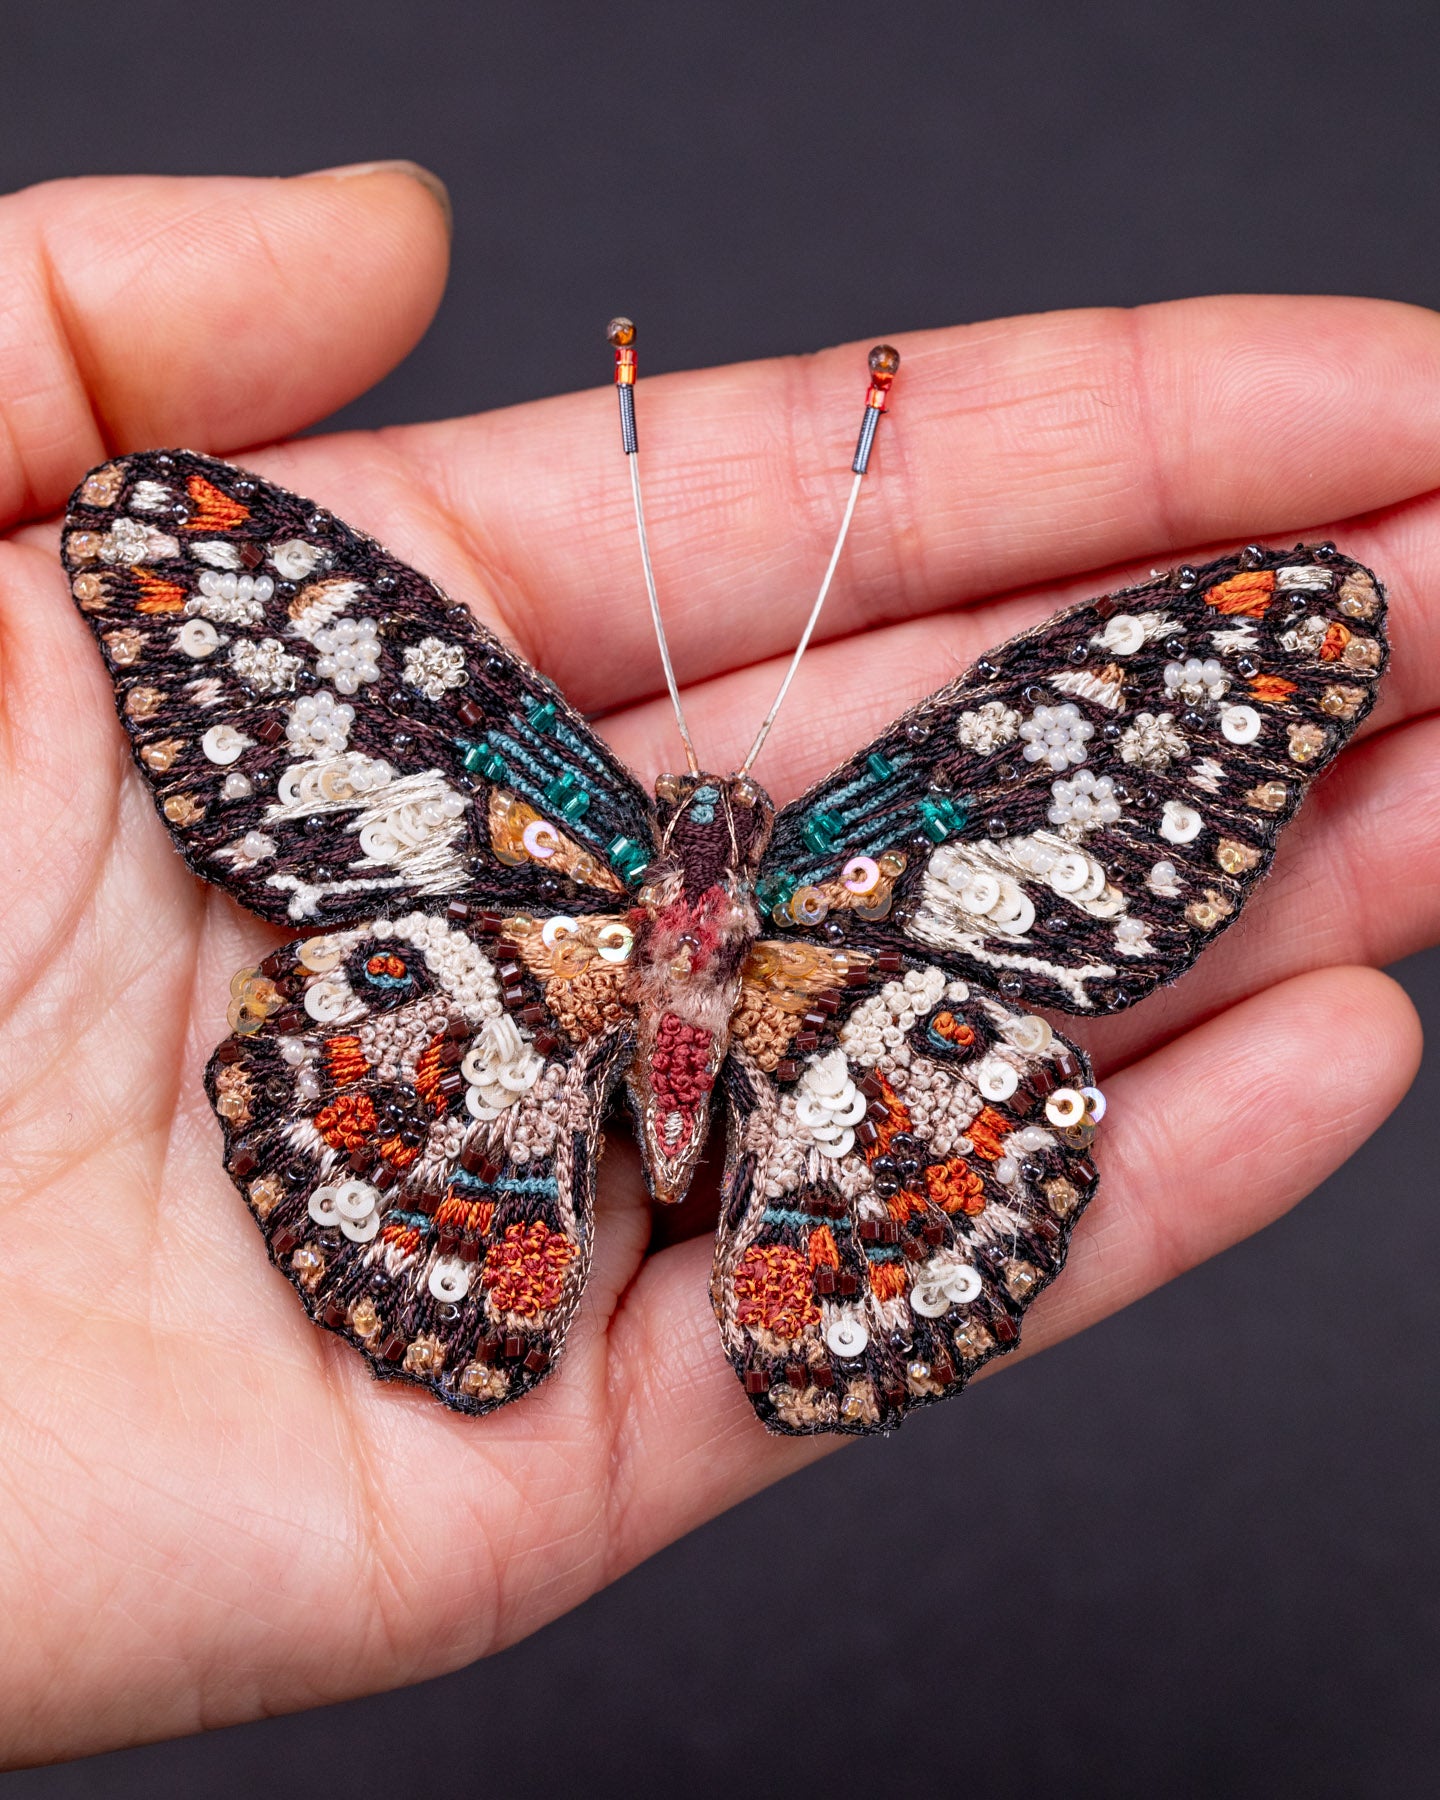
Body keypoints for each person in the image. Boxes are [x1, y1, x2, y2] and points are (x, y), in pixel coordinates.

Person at [0, 161, 1428, 1766]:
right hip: (671, 1020)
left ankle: (727, 1280)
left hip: (655, 1012)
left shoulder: (557, 790)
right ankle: (527, 1264)